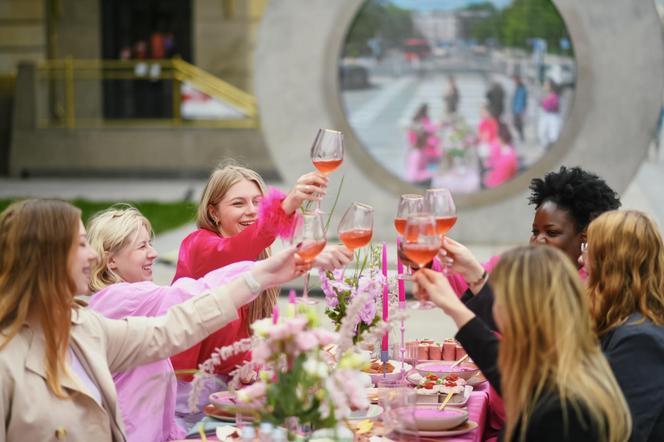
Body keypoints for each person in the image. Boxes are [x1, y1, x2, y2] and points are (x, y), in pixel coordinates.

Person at [0, 199, 309, 441]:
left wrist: (262, 276)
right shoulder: (7, 363)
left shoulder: (82, 327)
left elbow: (171, 329)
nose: (92, 255)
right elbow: (188, 301)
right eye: (80, 244)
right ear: (45, 257)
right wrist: (261, 273)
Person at [414, 245, 632, 442]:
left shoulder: (559, 412)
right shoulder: (573, 369)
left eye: (498, 294)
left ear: (517, 310)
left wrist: (454, 307)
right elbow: (506, 373)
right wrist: (456, 306)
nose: (491, 303)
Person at [85, 205, 257, 442]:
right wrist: (264, 272)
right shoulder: (124, 299)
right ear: (111, 260)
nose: (153, 253)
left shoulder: (115, 299)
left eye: (150, 244)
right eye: (142, 246)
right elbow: (197, 294)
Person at [171, 165, 352, 385]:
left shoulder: (257, 255)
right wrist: (287, 205)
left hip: (232, 385)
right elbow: (236, 249)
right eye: (238, 203)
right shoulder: (198, 245)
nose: (252, 210)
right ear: (213, 212)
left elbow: (247, 344)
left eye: (258, 202)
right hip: (189, 390)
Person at [583, 210, 664, 441]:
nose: (582, 259)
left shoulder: (640, 339)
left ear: (610, 262)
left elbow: (619, 434)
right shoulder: (624, 321)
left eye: (588, 248)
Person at [483, 123, 518, 189]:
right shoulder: (508, 150)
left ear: (500, 138)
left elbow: (498, 178)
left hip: (499, 184)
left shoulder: (507, 157)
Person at [537, 78, 561, 147]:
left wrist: (546, 104)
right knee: (541, 133)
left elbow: (555, 106)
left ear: (550, 86)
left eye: (546, 85)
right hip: (545, 115)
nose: (544, 86)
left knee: (553, 135)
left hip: (552, 116)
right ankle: (546, 146)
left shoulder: (554, 96)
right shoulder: (545, 95)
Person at [511, 74, 527, 141]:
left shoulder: (521, 88)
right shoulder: (517, 87)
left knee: (518, 123)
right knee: (516, 123)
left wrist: (522, 109)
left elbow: (522, 99)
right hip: (516, 108)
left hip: (519, 108)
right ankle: (521, 135)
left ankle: (521, 136)